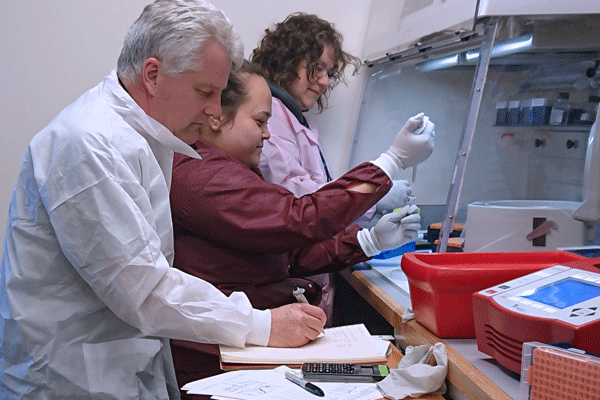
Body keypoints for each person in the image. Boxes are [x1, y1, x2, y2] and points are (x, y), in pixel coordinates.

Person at [0, 2, 327, 399]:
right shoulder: (88, 143)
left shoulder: (148, 136)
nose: (212, 112)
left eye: (219, 94)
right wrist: (261, 325)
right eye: (205, 92)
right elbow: (144, 288)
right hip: (69, 379)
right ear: (153, 74)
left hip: (118, 363)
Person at [169, 60, 432, 395]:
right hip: (219, 359)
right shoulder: (204, 177)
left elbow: (287, 254)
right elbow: (297, 218)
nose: (267, 133)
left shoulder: (226, 168)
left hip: (241, 346)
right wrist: (390, 163)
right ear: (217, 115)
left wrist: (366, 240)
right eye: (260, 121)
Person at [250, 13, 430, 320]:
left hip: (312, 273)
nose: (323, 81)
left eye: (328, 72)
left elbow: (321, 194)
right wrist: (376, 191)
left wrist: (368, 205)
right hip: (291, 283)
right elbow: (299, 196)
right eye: (316, 68)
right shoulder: (273, 114)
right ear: (288, 59)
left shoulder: (295, 117)